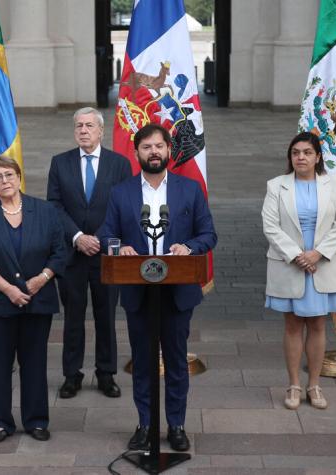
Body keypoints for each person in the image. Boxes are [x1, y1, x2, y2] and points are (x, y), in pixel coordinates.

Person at [99, 123, 217, 452]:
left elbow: (209, 234)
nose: (154, 152)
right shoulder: (121, 192)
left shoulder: (189, 190)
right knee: (143, 361)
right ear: (137, 153)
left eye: (159, 146)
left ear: (168, 151)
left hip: (177, 292)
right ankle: (145, 423)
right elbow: (106, 233)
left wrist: (189, 247)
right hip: (138, 292)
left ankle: (176, 424)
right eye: (147, 147)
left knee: (177, 361)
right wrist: (117, 246)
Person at [0, 156, 67, 443]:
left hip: (39, 300)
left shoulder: (45, 211)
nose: (4, 181)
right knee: (0, 364)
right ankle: (0, 421)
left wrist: (41, 279)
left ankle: (36, 420)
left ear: (19, 177)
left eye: (9, 175)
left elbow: (59, 253)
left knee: (34, 362)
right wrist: (9, 289)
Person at [261, 131, 336, 410]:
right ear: (290, 157)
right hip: (291, 264)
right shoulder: (276, 186)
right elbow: (270, 226)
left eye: (307, 152)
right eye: (296, 153)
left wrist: (318, 253)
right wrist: (297, 255)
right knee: (292, 325)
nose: (301, 157)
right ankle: (293, 386)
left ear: (318, 157)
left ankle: (314, 385)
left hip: (324, 263)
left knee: (317, 324)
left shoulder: (335, 184)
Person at [47, 107, 132, 399]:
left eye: (89, 126)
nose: (83, 130)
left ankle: (106, 374)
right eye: (79, 126)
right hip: (72, 255)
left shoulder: (120, 164)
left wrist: (100, 237)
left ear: (101, 131)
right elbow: (54, 206)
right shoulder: (60, 163)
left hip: (106, 255)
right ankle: (72, 375)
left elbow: (124, 206)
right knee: (72, 317)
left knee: (106, 315)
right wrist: (78, 237)